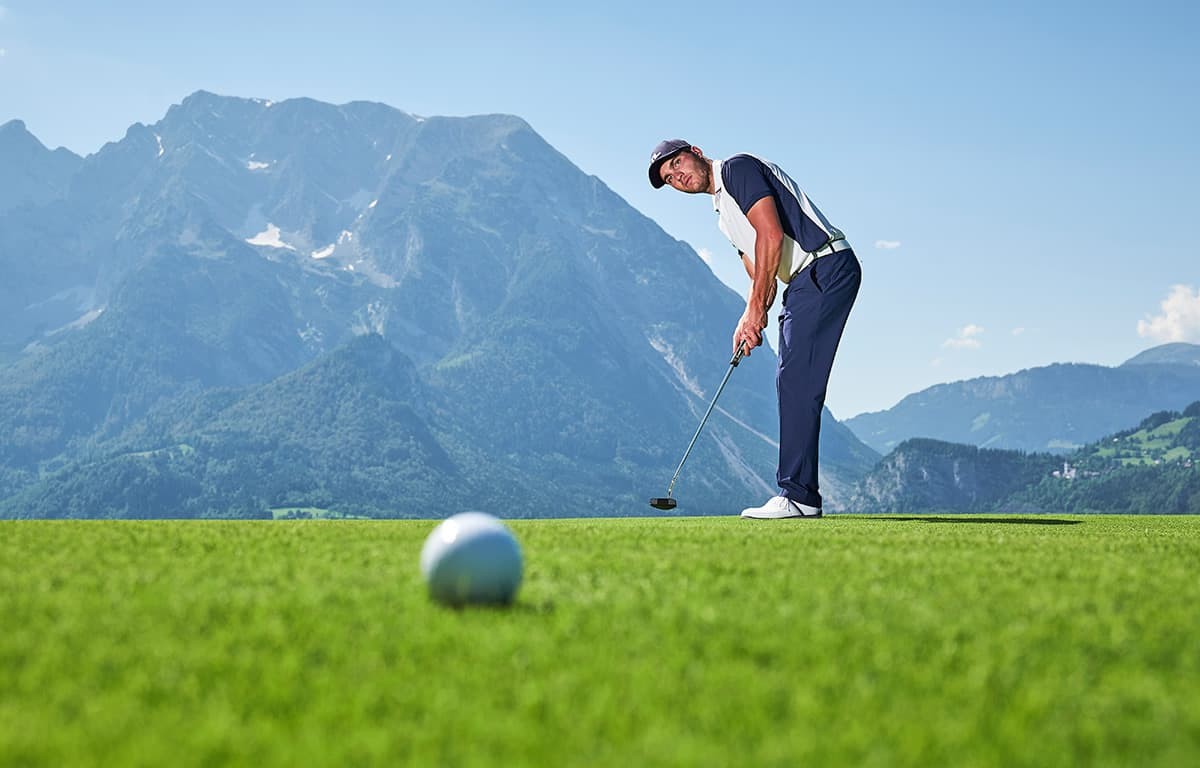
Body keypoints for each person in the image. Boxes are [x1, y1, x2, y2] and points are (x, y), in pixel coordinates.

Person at [648, 140, 861, 519]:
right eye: (669, 178)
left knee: (796, 379)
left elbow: (771, 236)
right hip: (802, 280)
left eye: (677, 163)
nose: (677, 176)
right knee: (792, 380)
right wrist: (749, 316)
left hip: (824, 267)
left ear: (695, 151)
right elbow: (760, 273)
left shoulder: (736, 170)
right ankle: (799, 494)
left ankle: (798, 497)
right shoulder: (722, 216)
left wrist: (755, 310)